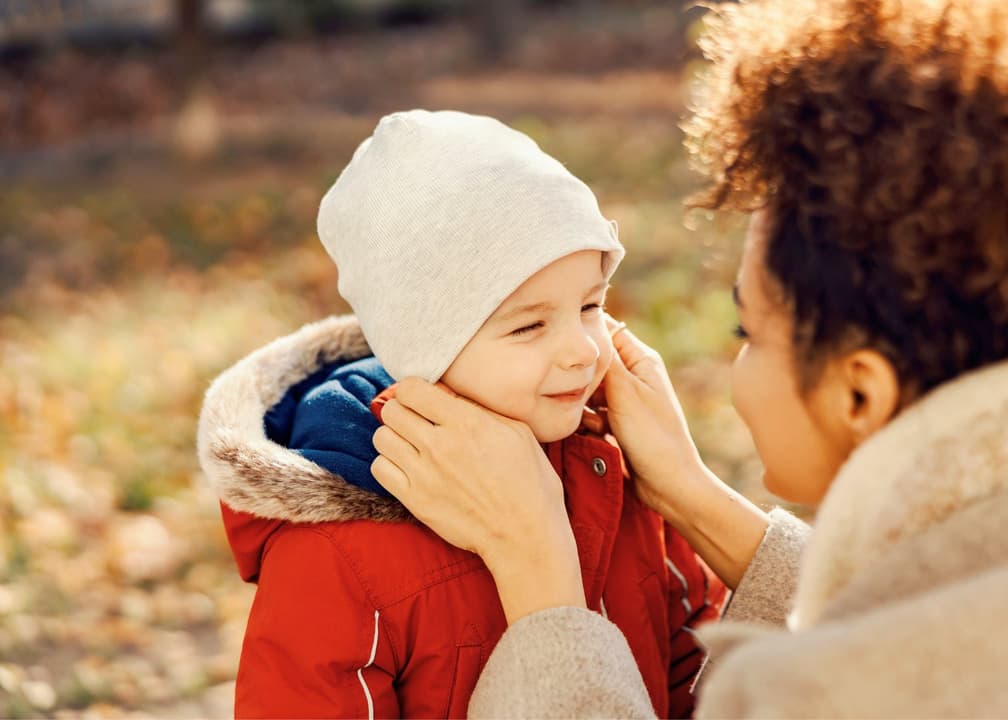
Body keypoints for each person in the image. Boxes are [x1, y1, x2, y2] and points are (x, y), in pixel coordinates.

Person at [369, 0, 1008, 716]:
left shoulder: (826, 700)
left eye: (748, 334)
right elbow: (962, 612)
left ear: (860, 391)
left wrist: (540, 583)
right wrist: (695, 499)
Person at [196, 110, 726, 719]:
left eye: (590, 305)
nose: (583, 350)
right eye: (530, 325)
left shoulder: (614, 474)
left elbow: (702, 672)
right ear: (423, 352)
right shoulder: (340, 554)